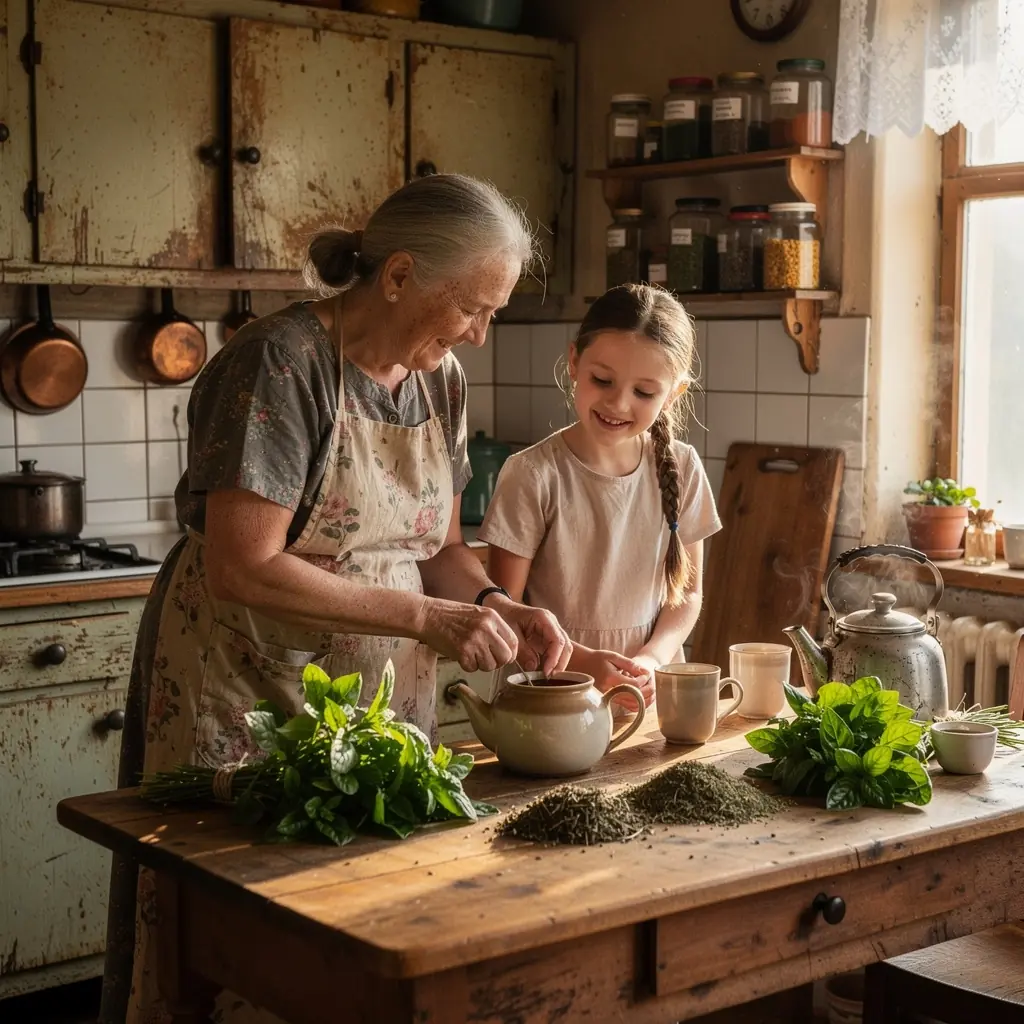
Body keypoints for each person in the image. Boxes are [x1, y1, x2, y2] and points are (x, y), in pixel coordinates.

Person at [101, 173, 572, 1024]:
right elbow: (243, 566)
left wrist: (498, 604)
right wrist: (431, 620)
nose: (480, 331)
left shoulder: (443, 381)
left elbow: (439, 549)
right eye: (472, 307)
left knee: (362, 935)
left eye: (492, 312)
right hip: (248, 688)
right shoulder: (280, 363)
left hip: (380, 703)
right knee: (237, 943)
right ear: (397, 276)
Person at [478, 284, 722, 707]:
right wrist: (586, 662)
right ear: (574, 362)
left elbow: (689, 595)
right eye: (602, 380)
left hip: (648, 694)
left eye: (644, 392)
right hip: (553, 693)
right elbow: (506, 612)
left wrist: (651, 658)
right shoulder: (533, 474)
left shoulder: (683, 468)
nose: (618, 403)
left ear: (673, 394)